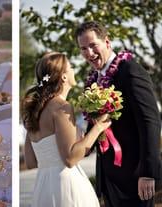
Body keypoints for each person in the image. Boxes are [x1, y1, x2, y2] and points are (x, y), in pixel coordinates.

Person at [75, 21, 162, 207]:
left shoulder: (130, 70)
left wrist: (148, 172)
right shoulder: (93, 81)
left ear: (107, 42)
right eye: (83, 48)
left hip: (135, 176)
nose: (89, 53)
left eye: (93, 45)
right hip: (109, 178)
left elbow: (150, 121)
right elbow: (96, 125)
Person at [22, 52, 111, 206]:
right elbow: (70, 159)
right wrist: (97, 128)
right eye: (70, 67)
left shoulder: (34, 110)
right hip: (65, 186)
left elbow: (31, 162)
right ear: (63, 76)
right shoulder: (61, 106)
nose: (73, 70)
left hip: (43, 187)